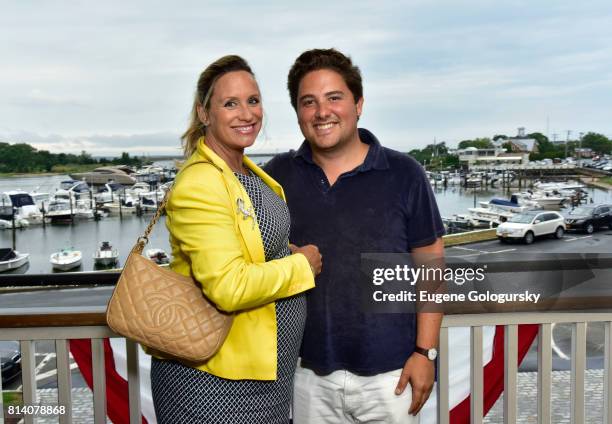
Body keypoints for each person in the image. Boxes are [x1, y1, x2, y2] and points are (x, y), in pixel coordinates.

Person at [264, 49, 445, 423]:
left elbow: (431, 268)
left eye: (334, 98)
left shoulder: (404, 173)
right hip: (303, 374)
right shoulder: (275, 177)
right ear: (297, 112)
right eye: (308, 102)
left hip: (392, 377)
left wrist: (425, 353)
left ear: (358, 104)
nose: (322, 112)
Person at [151, 55, 322, 424]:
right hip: (213, 383)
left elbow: (250, 243)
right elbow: (228, 287)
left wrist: (279, 252)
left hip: (264, 378)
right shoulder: (200, 182)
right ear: (204, 113)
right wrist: (300, 266)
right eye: (230, 103)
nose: (246, 113)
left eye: (253, 100)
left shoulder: (245, 171)